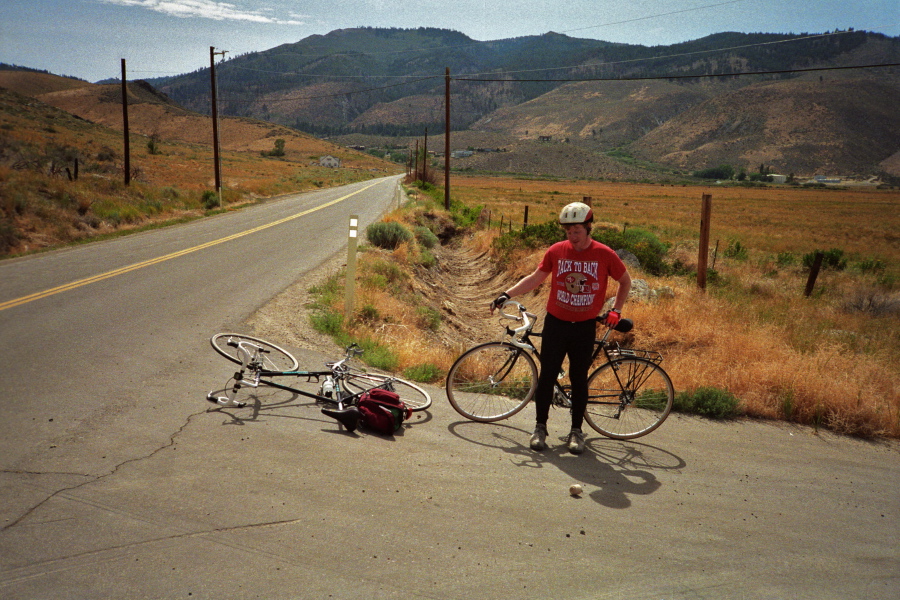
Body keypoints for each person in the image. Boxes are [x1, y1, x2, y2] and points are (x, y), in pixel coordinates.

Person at [489, 202, 631, 454]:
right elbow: (535, 277)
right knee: (547, 376)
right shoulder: (557, 251)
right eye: (568, 231)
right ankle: (540, 428)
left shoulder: (604, 254)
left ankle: (576, 431)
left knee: (578, 379)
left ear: (588, 228)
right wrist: (505, 294)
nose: (572, 236)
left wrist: (616, 310)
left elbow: (624, 280)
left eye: (577, 230)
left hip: (584, 326)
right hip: (556, 323)